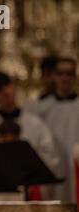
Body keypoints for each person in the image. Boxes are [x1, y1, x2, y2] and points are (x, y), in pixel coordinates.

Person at [0, 72, 59, 199]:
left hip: (28, 192)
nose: (7, 94)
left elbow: (49, 155)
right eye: (0, 91)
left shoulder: (35, 123)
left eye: (8, 87)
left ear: (14, 89)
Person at [43, 58, 79, 202]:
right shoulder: (42, 109)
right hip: (54, 170)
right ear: (53, 77)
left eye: (69, 74)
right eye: (60, 73)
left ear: (75, 77)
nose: (64, 78)